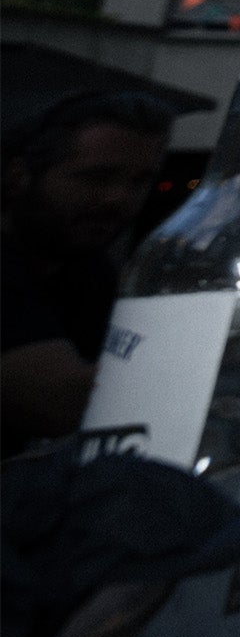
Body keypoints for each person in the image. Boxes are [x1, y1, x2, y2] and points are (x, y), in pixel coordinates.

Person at [2, 91, 172, 456]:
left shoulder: (87, 273)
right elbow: (61, 400)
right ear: (20, 175)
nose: (119, 199)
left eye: (139, 181)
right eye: (96, 177)